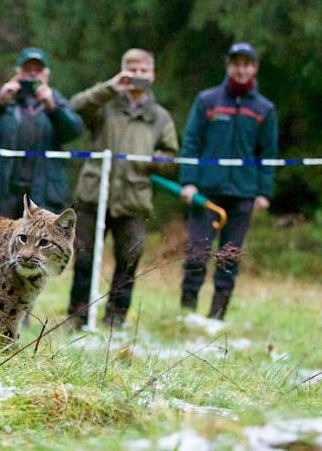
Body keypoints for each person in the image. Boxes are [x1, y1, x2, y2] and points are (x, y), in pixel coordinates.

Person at [67, 48, 179, 329]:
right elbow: (75, 108)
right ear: (123, 71)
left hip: (134, 198)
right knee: (84, 258)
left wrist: (150, 161)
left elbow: (171, 158)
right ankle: (77, 316)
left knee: (129, 260)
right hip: (94, 194)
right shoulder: (105, 105)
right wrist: (110, 87)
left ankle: (115, 319)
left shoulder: (160, 117)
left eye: (143, 70)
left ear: (152, 74)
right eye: (132, 69)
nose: (138, 75)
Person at [179, 42, 278, 320]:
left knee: (229, 257)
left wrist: (263, 192)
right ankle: (186, 315)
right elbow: (191, 143)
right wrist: (189, 181)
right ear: (228, 66)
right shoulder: (207, 101)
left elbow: (268, 154)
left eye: (247, 64)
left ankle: (216, 318)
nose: (241, 69)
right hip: (205, 194)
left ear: (254, 68)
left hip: (243, 194)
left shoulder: (265, 109)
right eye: (236, 63)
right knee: (197, 254)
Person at [0, 47, 83, 218]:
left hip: (43, 194)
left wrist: (53, 107)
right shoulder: (4, 100)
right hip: (1, 193)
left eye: (37, 70)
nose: (32, 74)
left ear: (46, 74)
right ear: (18, 73)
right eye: (27, 69)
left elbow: (74, 132)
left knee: (37, 244)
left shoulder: (56, 101)